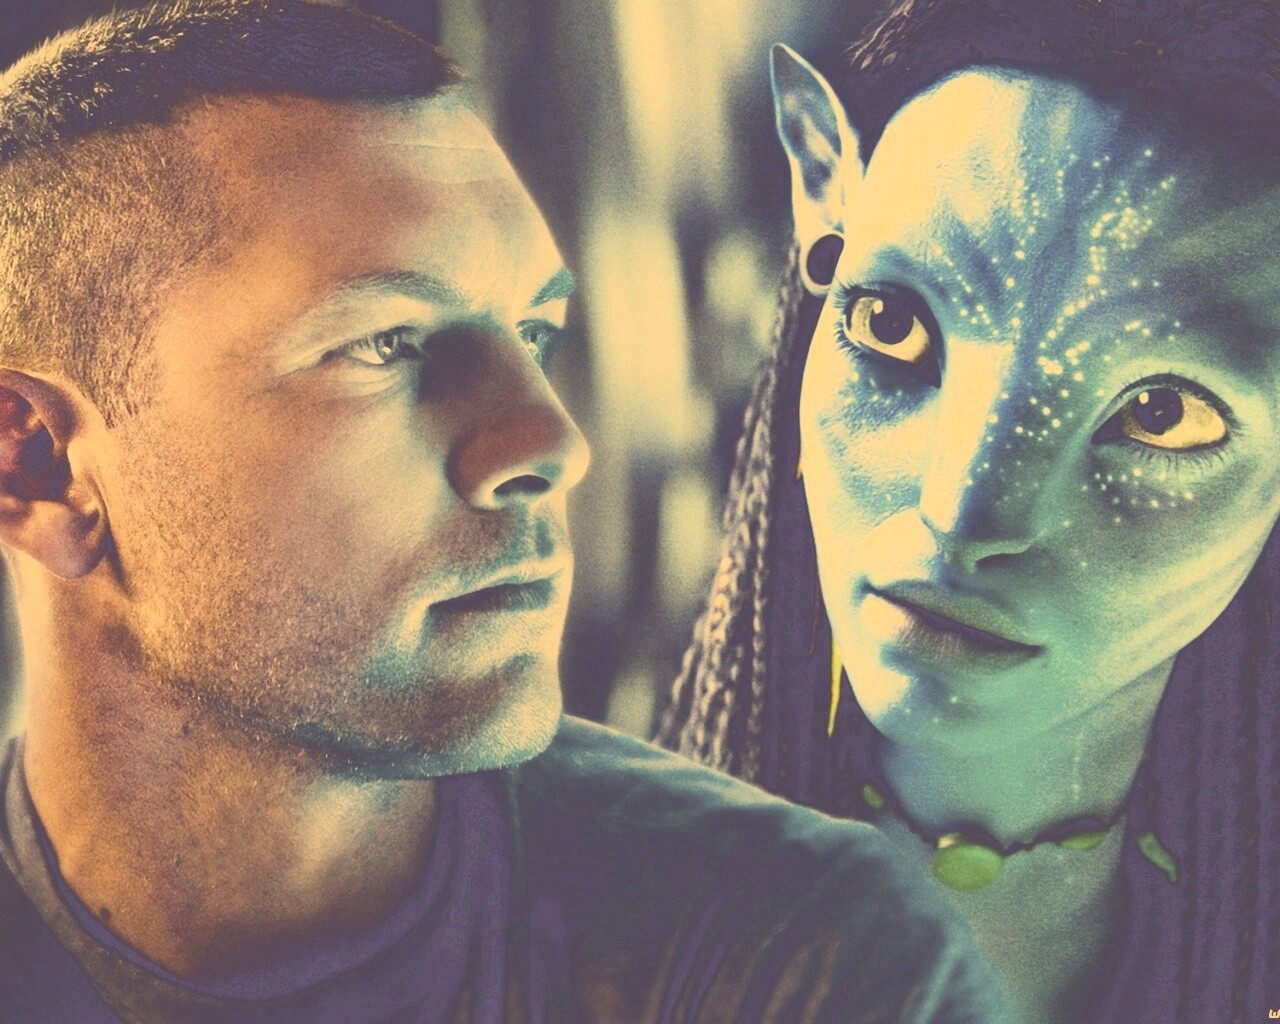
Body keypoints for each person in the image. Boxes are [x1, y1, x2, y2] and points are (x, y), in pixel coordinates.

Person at [0, 1, 1017, 1021]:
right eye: (382, 343)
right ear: (37, 465)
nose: (550, 444)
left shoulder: (792, 956)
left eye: (533, 332)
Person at [659, 1, 1280, 1022]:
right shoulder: (546, 905)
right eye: (892, 326)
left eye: (1158, 414)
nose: (963, 512)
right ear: (823, 194)